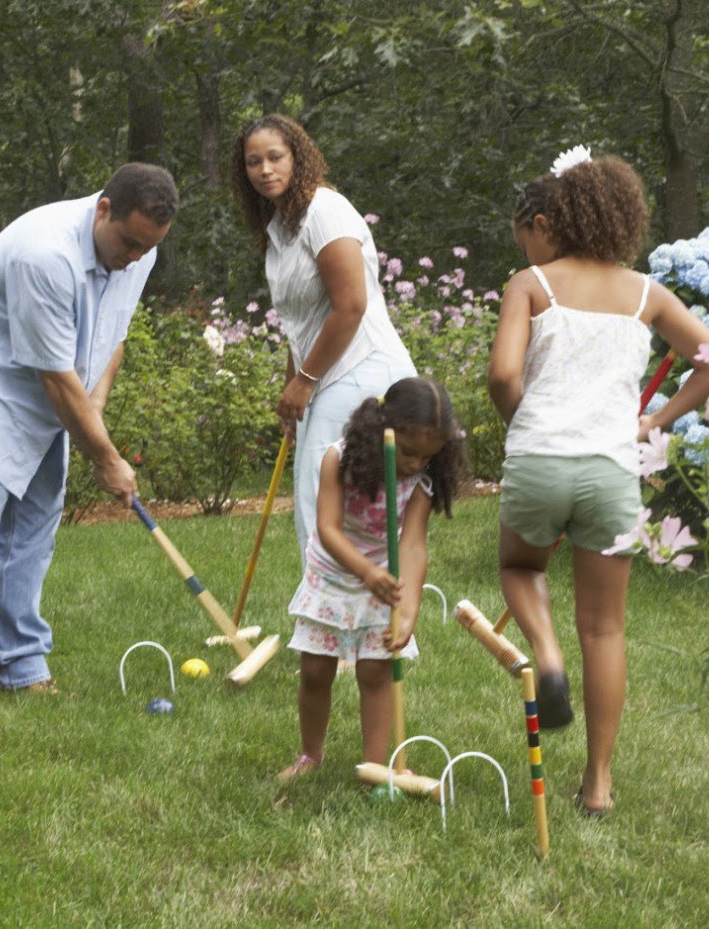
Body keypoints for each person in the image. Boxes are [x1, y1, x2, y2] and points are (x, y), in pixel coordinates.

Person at [488, 148, 709, 816]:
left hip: (540, 457)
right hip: (611, 468)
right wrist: (655, 420)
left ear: (558, 213)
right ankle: (598, 784)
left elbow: (504, 376)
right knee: (606, 629)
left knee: (518, 565)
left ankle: (544, 652)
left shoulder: (531, 284)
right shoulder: (646, 293)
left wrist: (525, 422)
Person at [0, 163, 178, 712]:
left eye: (145, 248)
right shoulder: (45, 254)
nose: (134, 257)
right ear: (103, 208)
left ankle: (18, 661)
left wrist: (97, 412)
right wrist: (105, 457)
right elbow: (57, 377)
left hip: (55, 394)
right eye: (128, 242)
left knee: (32, 534)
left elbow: (113, 334)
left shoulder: (140, 249)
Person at [231, 114, 417, 554]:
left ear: (297, 157)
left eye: (275, 157)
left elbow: (350, 305)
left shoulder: (325, 210)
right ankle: (340, 620)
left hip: (363, 371)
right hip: (328, 376)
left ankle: (345, 620)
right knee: (324, 509)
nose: (264, 170)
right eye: (253, 162)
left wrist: (305, 382)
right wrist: (291, 386)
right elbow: (303, 321)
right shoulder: (281, 229)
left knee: (326, 509)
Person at [277, 377, 467, 784]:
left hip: (382, 581)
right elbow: (328, 528)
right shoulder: (339, 459)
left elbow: (413, 545)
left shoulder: (422, 480)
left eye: (427, 456)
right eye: (410, 452)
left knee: (375, 674)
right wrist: (366, 572)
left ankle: (375, 766)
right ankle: (311, 754)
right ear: (383, 430)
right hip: (331, 576)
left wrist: (409, 607)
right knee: (315, 670)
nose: (416, 463)